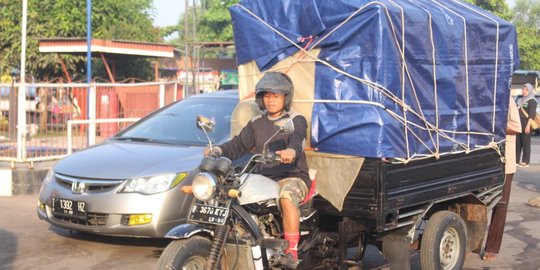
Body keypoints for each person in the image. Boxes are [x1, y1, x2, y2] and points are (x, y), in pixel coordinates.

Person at [204, 72, 310, 269]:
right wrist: (218, 150)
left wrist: (291, 151)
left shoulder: (295, 119)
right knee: (229, 192)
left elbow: (298, 140)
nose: (270, 100)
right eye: (267, 96)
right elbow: (238, 144)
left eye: (276, 96)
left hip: (292, 176)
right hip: (264, 176)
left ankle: (291, 252)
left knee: (286, 197)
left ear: (285, 98)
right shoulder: (256, 123)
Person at [482, 96, 521, 261]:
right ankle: (472, 243)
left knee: (501, 205)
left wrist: (496, 128)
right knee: (479, 204)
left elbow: (517, 127)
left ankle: (492, 247)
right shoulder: (483, 98)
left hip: (506, 163)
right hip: (484, 163)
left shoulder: (508, 100)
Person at [516, 83, 537, 167]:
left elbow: (531, 115)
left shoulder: (532, 101)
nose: (524, 91)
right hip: (518, 125)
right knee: (517, 143)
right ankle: (516, 160)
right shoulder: (519, 100)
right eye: (523, 89)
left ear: (530, 90)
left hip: (526, 125)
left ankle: (525, 161)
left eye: (526, 90)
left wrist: (528, 126)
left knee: (525, 143)